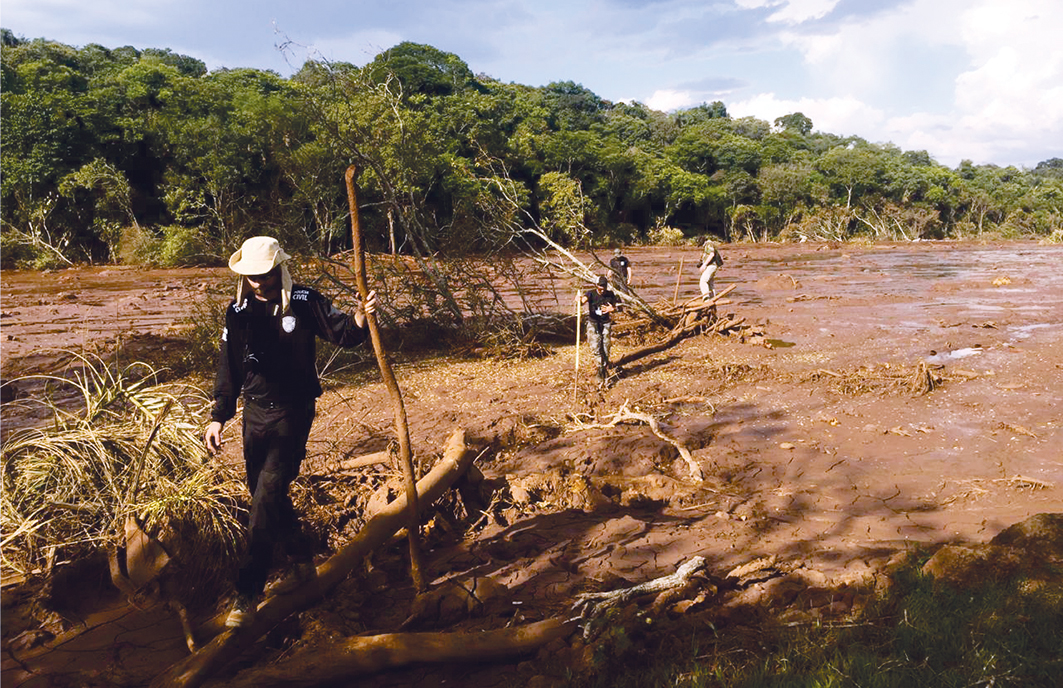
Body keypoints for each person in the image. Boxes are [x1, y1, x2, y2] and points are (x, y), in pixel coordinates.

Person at [204, 236, 377, 629]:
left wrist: (362, 316)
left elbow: (345, 335)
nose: (258, 282)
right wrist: (219, 416)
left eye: (264, 274)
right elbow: (228, 367)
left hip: (292, 414)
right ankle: (301, 560)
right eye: (251, 277)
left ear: (278, 267)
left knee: (264, 499)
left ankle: (247, 592)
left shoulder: (303, 301)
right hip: (254, 415)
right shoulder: (238, 311)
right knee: (266, 498)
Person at [581, 275, 620, 386]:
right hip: (593, 323)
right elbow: (584, 300)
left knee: (606, 346)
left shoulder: (610, 294)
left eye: (604, 287)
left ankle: (605, 369)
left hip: (605, 323)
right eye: (600, 287)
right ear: (596, 286)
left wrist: (611, 309)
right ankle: (599, 370)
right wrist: (579, 300)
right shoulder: (591, 293)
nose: (602, 290)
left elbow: (616, 307)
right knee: (595, 345)